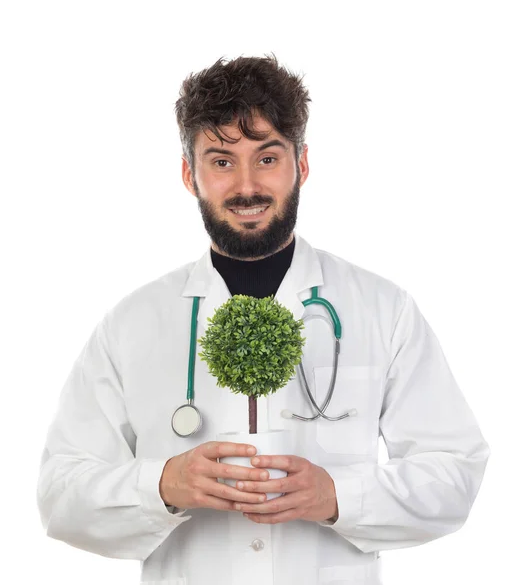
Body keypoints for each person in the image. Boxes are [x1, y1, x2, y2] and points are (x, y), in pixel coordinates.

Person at [37, 54, 490, 585]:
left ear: (301, 164)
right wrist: (161, 485)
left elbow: (455, 470)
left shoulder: (383, 310)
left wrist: (338, 496)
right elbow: (59, 494)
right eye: (222, 161)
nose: (246, 185)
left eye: (267, 158)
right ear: (190, 174)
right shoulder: (131, 324)